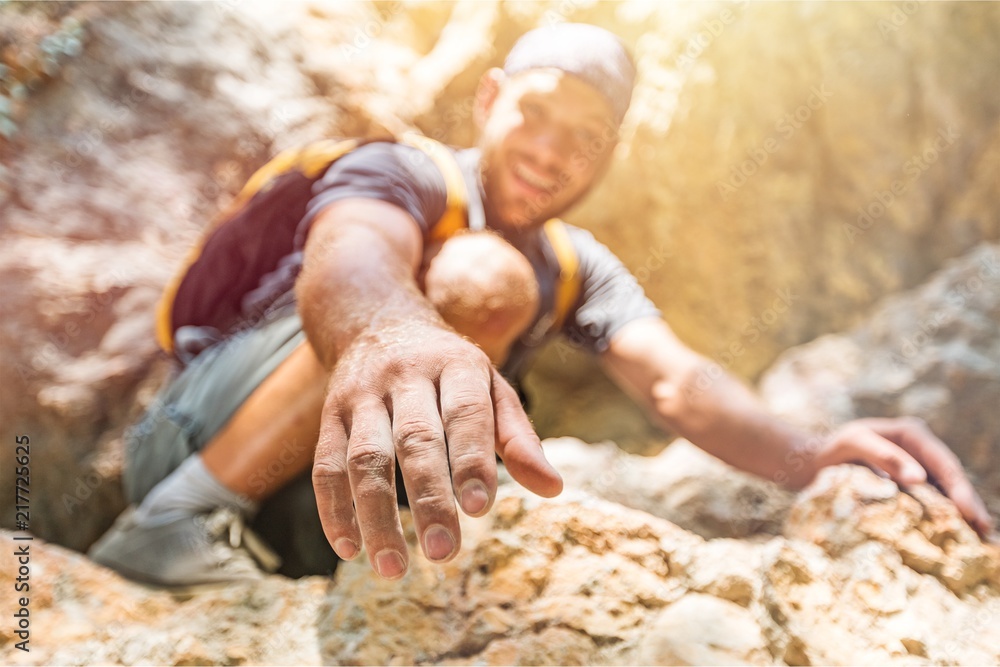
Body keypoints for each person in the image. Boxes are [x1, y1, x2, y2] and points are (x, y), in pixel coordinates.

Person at [89, 23, 993, 587]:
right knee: (485, 281)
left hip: (328, 493)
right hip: (191, 435)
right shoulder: (401, 171)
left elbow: (676, 383)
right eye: (535, 115)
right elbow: (349, 261)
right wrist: (390, 330)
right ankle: (174, 518)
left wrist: (807, 451)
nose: (551, 153)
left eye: (585, 141)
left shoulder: (576, 265)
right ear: (489, 99)